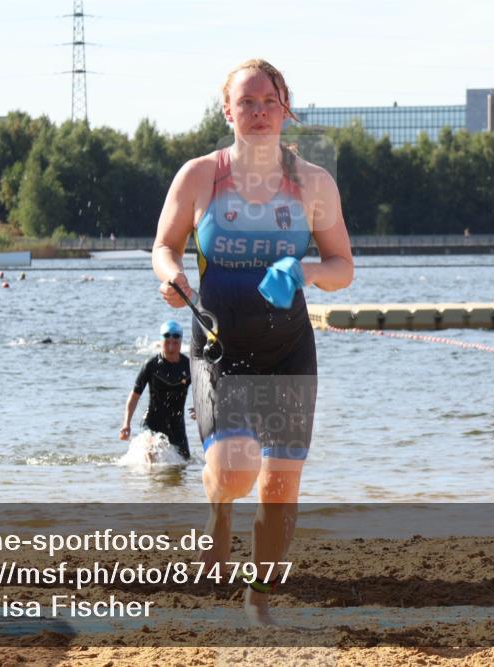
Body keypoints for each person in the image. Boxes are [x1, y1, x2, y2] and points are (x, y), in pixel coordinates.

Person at [151, 58, 353, 625]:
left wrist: (305, 271)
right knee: (238, 471)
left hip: (288, 346)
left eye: (269, 101)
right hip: (219, 345)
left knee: (282, 485)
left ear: (285, 108)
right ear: (228, 111)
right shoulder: (200, 176)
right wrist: (172, 276)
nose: (259, 112)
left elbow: (342, 267)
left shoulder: (313, 182)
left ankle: (259, 596)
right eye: (247, 102)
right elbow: (163, 246)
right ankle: (219, 512)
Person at [120, 320, 192, 459]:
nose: (171, 347)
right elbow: (134, 396)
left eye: (175, 343)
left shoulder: (188, 366)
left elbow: (203, 391)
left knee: (184, 465)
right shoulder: (151, 365)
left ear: (181, 342)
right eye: (167, 343)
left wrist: (199, 409)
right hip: (152, 423)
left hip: (177, 426)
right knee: (151, 455)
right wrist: (126, 424)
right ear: (161, 342)